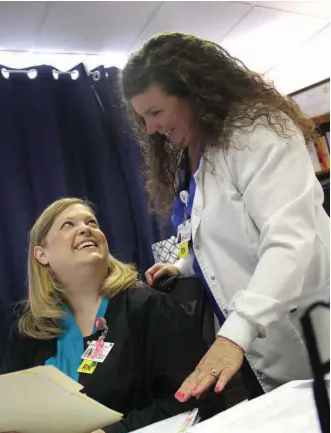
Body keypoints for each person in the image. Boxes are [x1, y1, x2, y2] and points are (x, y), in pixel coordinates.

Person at [120, 32, 330, 399]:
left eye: (156, 112)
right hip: (248, 341)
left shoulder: (256, 132)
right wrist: (186, 266)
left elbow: (289, 241)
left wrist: (236, 333)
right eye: (144, 117)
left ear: (194, 91)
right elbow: (224, 235)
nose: (151, 128)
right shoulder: (204, 150)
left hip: (302, 329)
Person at [0, 197, 222, 433]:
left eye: (92, 222)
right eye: (68, 224)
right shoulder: (30, 330)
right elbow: (2, 415)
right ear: (41, 255)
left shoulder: (148, 308)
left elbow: (200, 402)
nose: (86, 228)